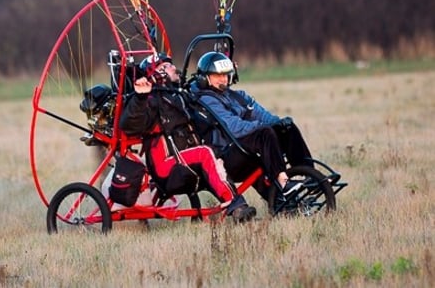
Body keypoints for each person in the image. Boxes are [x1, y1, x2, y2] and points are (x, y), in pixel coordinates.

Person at [119, 52, 257, 223]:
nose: (173, 67)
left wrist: (224, 69)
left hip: (184, 158)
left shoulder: (178, 94)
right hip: (167, 167)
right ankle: (237, 207)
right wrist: (140, 97)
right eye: (166, 66)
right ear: (157, 74)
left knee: (231, 150)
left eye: (170, 64)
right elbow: (129, 124)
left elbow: (203, 88)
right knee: (205, 153)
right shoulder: (151, 100)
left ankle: (278, 198)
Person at [191, 51, 313, 201]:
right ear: (205, 78)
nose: (223, 79)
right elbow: (233, 127)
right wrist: (261, 126)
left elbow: (260, 113)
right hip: (226, 155)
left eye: (225, 75)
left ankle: (310, 175)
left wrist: (277, 122)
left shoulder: (237, 95)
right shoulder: (206, 101)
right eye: (217, 76)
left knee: (287, 128)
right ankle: (282, 181)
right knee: (265, 133)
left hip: (244, 145)